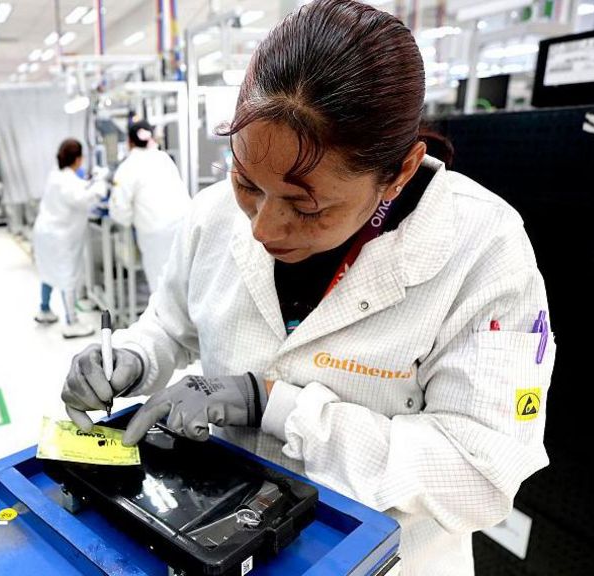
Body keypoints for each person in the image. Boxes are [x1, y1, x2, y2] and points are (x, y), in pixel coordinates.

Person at [60, 2, 554, 575]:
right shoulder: (213, 214)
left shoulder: (483, 250)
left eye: (307, 206)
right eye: (246, 183)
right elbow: (170, 326)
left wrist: (278, 406)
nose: (263, 228)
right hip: (216, 539)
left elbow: (480, 475)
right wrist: (131, 356)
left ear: (398, 172)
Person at [32, 139, 106, 337]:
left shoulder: (56, 174)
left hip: (45, 232)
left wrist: (90, 182)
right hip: (60, 237)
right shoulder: (67, 181)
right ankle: (72, 323)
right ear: (78, 159)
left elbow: (77, 187)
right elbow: (81, 198)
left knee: (47, 271)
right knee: (68, 275)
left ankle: (44, 310)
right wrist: (99, 187)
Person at [109, 120, 191, 293]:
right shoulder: (164, 158)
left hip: (155, 233)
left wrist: (129, 221)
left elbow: (119, 210)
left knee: (161, 286)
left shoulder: (127, 167)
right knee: (185, 281)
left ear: (129, 142)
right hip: (184, 224)